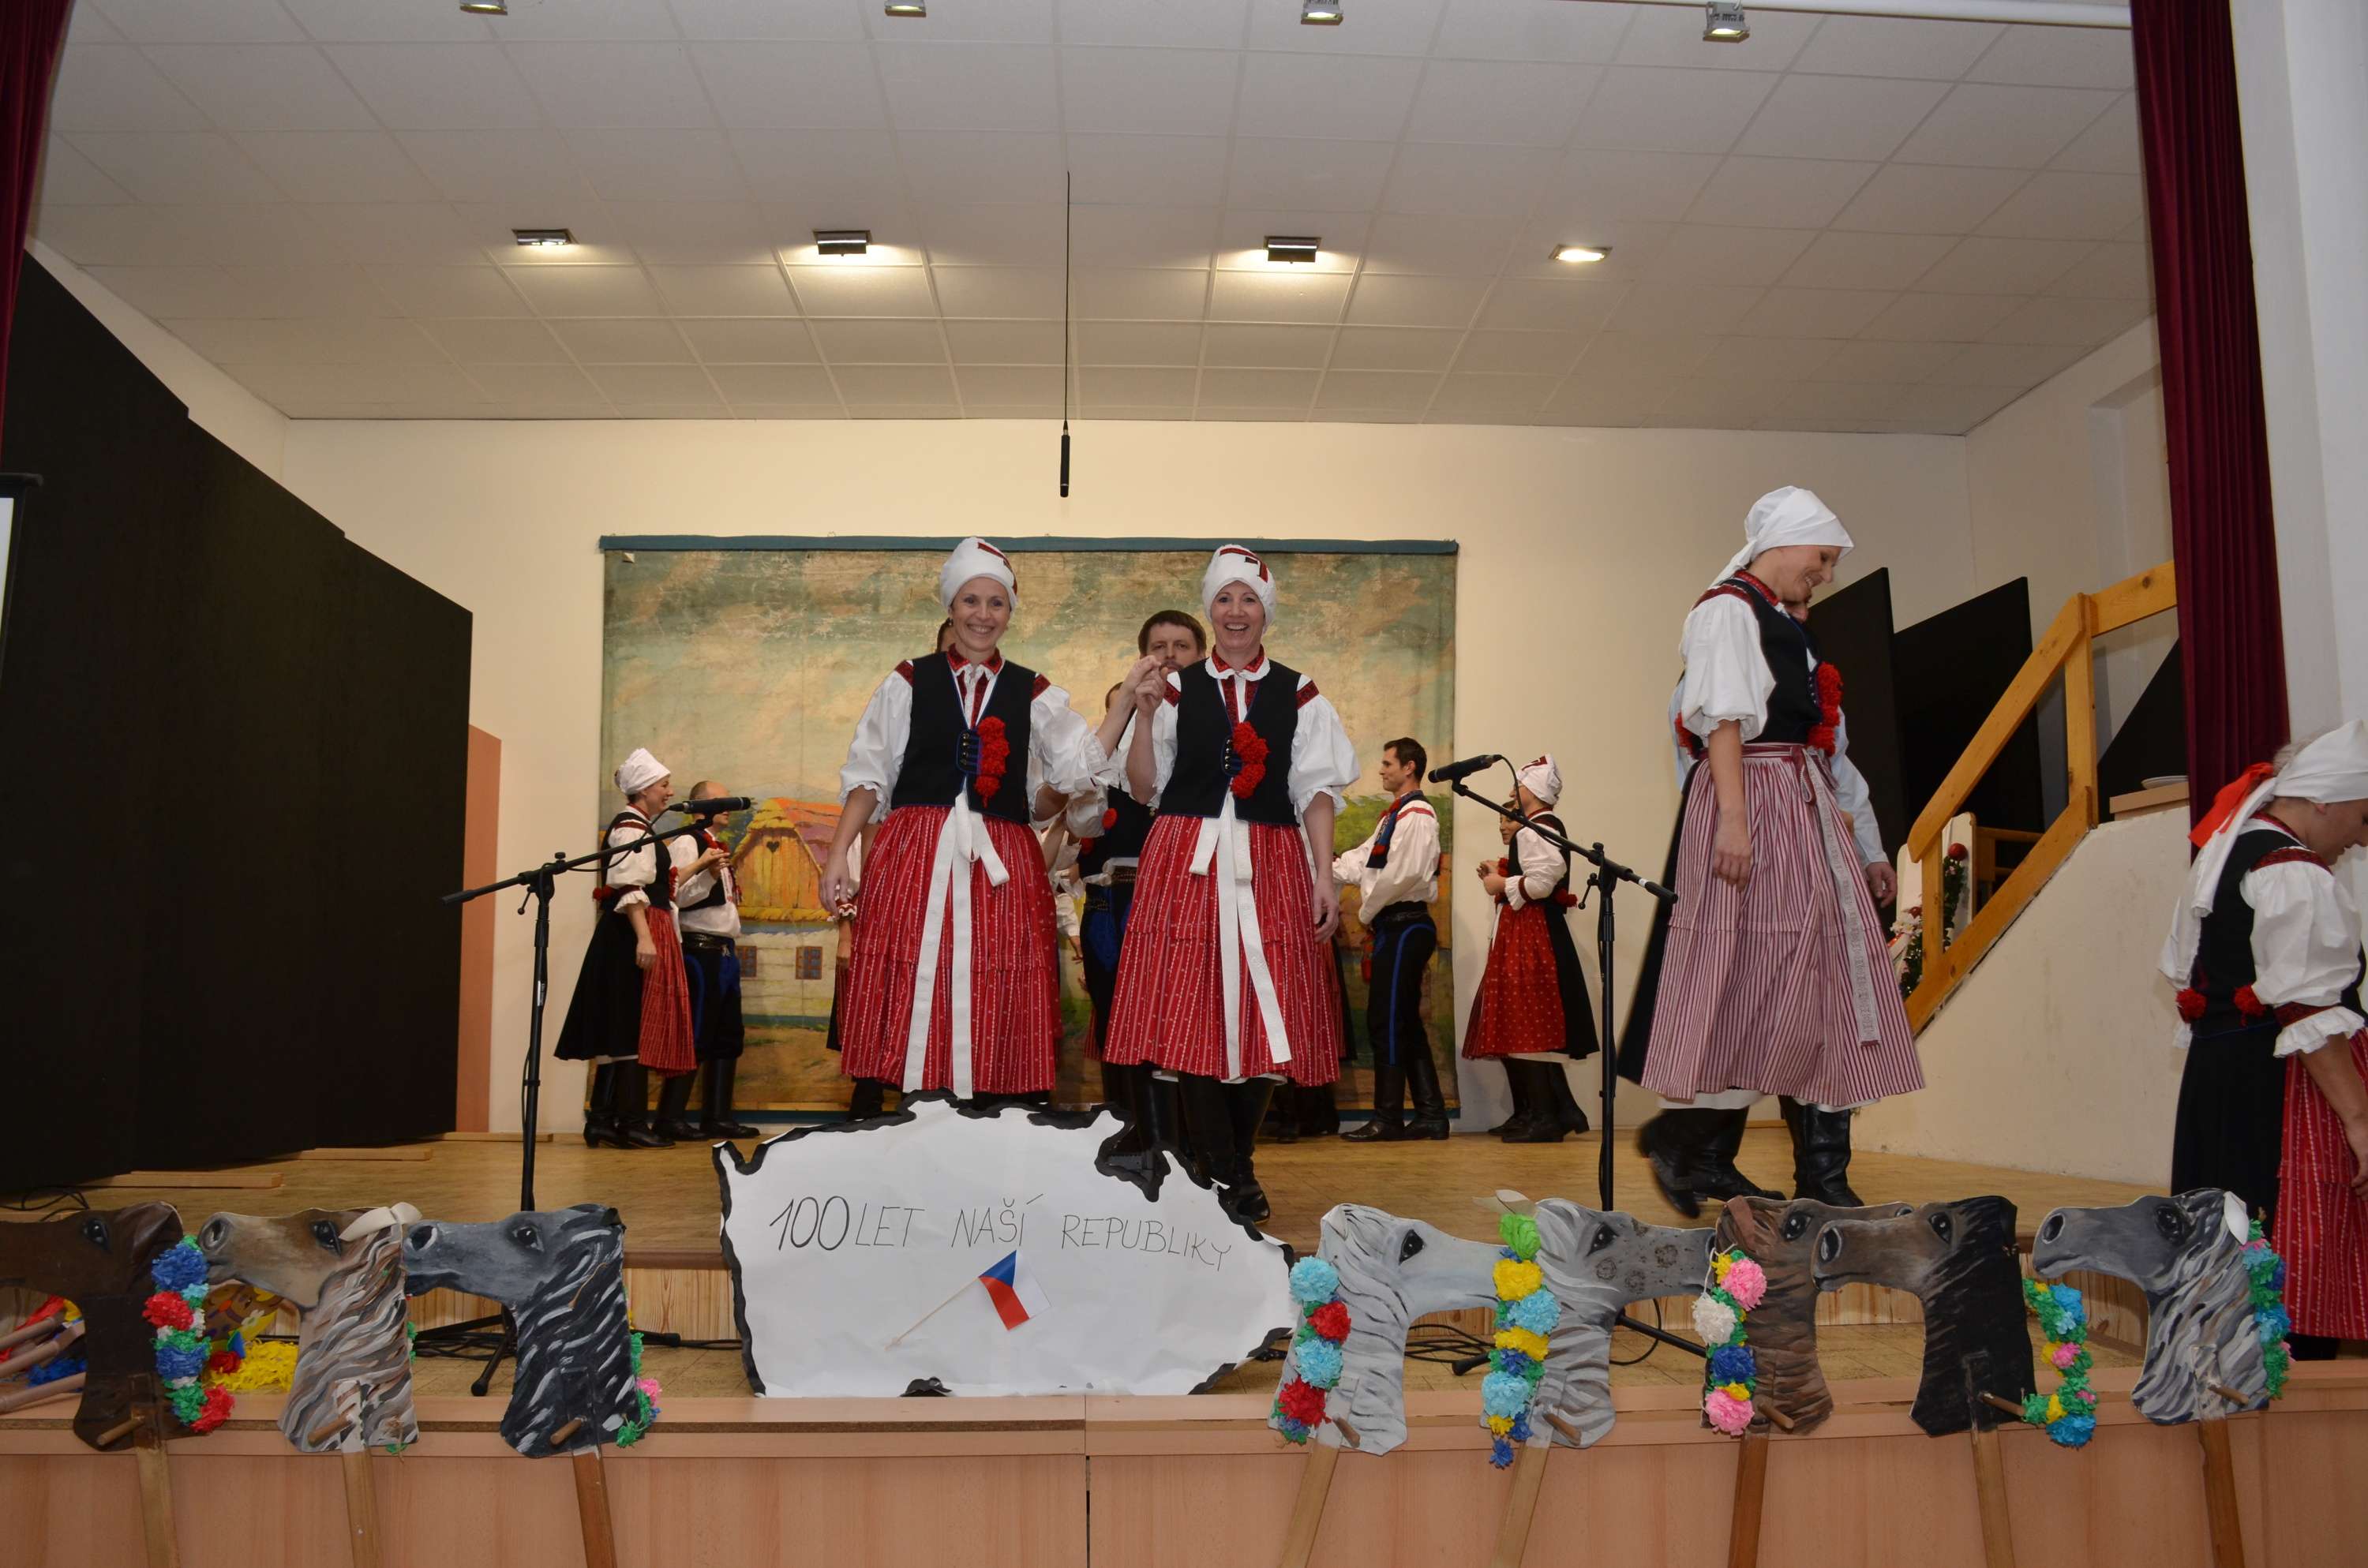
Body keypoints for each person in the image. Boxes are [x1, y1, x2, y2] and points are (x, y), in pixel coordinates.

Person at [1618, 487, 1922, 1215]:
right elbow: (1721, 723)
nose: (1826, 574)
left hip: (1802, 805)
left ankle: (1817, 1175)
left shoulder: (1788, 628)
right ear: (1784, 542)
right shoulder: (1727, 611)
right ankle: (1690, 1142)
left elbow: (1832, 754)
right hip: (1758, 802)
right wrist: (1733, 820)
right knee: (1757, 982)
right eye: (1822, 558)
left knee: (1825, 984)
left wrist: (1870, 847)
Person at [818, 539, 1133, 1106]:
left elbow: (1071, 770)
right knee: (920, 971)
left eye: (996, 603)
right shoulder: (908, 680)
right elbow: (869, 775)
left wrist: (1125, 702)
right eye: (971, 601)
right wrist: (839, 852)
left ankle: (985, 1111)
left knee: (993, 974)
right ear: (950, 606)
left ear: (1009, 612)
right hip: (916, 850)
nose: (982, 615)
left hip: (1000, 860)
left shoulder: (1033, 691)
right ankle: (911, 1108)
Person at [1103, 545, 1358, 1224]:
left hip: (1270, 856)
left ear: (1265, 612)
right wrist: (1145, 714)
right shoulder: (1177, 688)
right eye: (1224, 598)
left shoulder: (1299, 693)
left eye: (1248, 599)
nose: (1236, 611)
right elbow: (1144, 788)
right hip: (1185, 855)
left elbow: (1316, 792)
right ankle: (1231, 1170)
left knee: (1266, 1011)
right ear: (1210, 610)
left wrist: (1324, 874)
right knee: (1191, 1010)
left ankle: (1227, 1162)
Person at [2164, 723, 2368, 1357]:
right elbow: (2309, 1008)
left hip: (2220, 1079)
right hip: (2276, 1094)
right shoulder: (2291, 870)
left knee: (2227, 1261)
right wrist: (2360, 1120)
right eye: (2364, 817)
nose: (2362, 837)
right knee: (2284, 1256)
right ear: (2325, 801)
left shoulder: (2228, 851)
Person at [841, 620, 962, 1119]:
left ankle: (947, 1096)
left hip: (968, 868)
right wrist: (869, 892)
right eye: (951, 650)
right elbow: (873, 809)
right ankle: (877, 1092)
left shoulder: (998, 707)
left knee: (952, 979)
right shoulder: (910, 697)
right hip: (909, 866)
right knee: (898, 978)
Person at [556, 747, 705, 1148]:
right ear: (643, 790)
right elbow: (630, 886)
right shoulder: (630, 829)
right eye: (664, 785)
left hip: (637, 929)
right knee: (630, 1022)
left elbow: (654, 883)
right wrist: (644, 936)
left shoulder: (640, 828)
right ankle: (631, 1122)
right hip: (632, 932)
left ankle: (604, 1119)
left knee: (623, 1021)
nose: (669, 792)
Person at [1463, 756, 1598, 1143]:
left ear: (1533, 790)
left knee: (1530, 1020)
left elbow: (1542, 882)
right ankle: (1546, 1111)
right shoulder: (1539, 827)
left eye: (1518, 785)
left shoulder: (1535, 829)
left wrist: (1500, 884)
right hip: (1530, 929)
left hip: (1532, 932)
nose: (1511, 791)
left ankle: (1544, 1116)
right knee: (1526, 1019)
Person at [1334, 737, 1446, 1142]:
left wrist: (1366, 911)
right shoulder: (1395, 815)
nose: (1381, 770)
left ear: (1409, 767)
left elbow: (1403, 875)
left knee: (1387, 1020)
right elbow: (1363, 860)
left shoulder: (1417, 815)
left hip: (1406, 924)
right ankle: (1432, 1115)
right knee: (1404, 1021)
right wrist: (1321, 867)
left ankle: (1388, 1117)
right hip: (1396, 927)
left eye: (1387, 763)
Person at [652, 782, 762, 1142]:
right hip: (699, 949)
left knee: (727, 1034)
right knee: (696, 1032)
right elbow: (675, 895)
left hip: (723, 950)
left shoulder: (715, 844)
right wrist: (708, 875)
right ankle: (670, 1117)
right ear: (699, 806)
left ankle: (718, 1117)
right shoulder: (688, 842)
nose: (728, 806)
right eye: (720, 800)